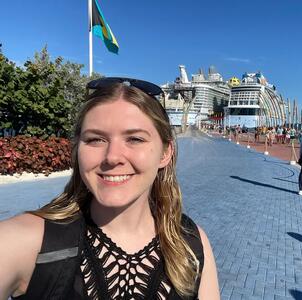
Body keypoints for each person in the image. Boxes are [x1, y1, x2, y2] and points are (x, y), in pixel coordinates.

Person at [0, 77, 219, 299]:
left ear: (165, 153)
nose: (112, 157)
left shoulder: (191, 245)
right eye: (95, 139)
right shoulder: (28, 242)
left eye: (134, 139)